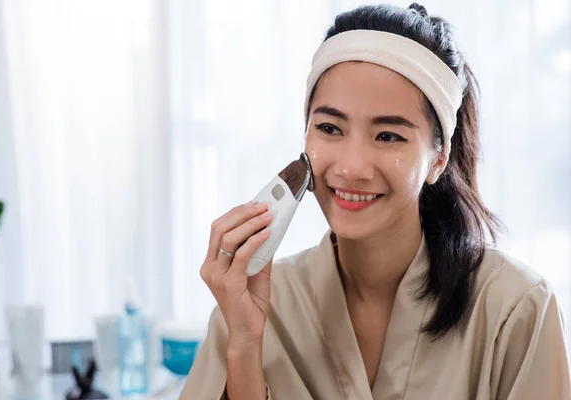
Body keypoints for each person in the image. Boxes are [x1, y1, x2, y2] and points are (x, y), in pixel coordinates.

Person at [179, 3, 571, 399]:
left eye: (388, 136)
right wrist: (244, 345)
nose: (351, 168)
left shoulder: (515, 309)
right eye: (330, 128)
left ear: (438, 158)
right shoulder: (252, 305)